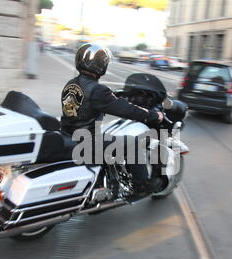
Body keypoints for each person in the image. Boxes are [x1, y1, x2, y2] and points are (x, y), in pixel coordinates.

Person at [60, 43, 164, 195]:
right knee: (131, 143)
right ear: (101, 65)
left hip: (68, 135)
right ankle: (141, 185)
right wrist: (154, 115)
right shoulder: (97, 90)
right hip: (86, 143)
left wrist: (113, 96)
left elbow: (91, 102)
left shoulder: (71, 84)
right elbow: (126, 110)